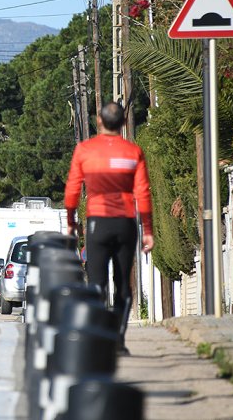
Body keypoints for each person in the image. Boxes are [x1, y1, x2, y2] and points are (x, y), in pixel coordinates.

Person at [64, 101, 154, 355]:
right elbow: (143, 194)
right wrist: (148, 229)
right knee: (123, 284)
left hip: (97, 223)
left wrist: (71, 223)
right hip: (125, 222)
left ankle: (97, 337)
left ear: (99, 122)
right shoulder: (133, 152)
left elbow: (72, 190)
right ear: (124, 123)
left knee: (96, 283)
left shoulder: (84, 150)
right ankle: (118, 339)